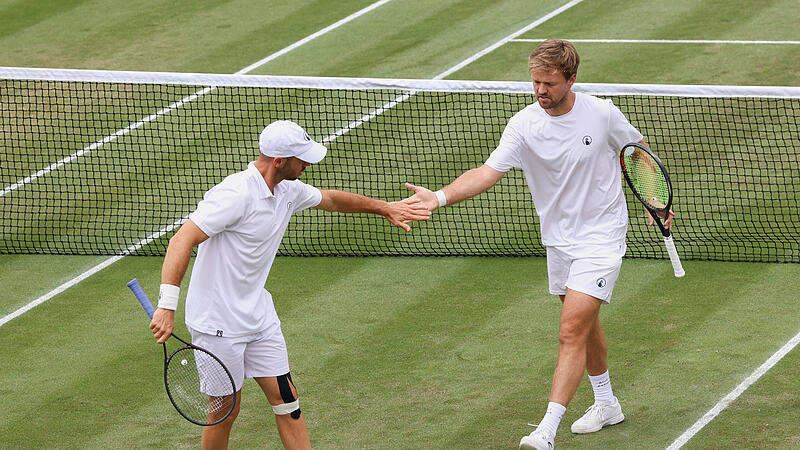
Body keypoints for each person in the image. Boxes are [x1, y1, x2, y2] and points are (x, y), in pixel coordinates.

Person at [403, 39, 674, 450]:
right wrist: (438, 198)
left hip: (601, 236)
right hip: (559, 240)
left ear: (571, 80)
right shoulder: (524, 124)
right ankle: (606, 403)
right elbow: (487, 171)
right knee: (584, 324)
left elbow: (637, 154)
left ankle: (546, 430)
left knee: (569, 331)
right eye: (535, 82)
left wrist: (654, 200)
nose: (540, 91)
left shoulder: (601, 115)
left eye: (549, 83)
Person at [149, 120, 430, 450]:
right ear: (278, 161)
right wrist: (167, 306)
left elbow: (333, 199)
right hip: (217, 323)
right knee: (225, 410)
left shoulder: (288, 189)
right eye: (301, 158)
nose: (308, 164)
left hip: (259, 317)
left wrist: (385, 208)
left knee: (288, 401)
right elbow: (181, 240)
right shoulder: (234, 194)